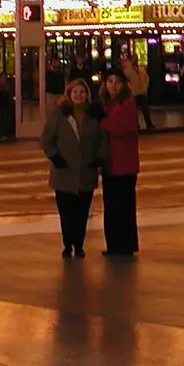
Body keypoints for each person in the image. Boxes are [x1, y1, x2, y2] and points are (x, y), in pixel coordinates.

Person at [40, 78, 108, 258]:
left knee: (82, 213)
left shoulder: (94, 115)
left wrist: (99, 158)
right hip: (63, 173)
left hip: (86, 172)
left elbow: (103, 139)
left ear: (87, 95)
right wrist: (55, 157)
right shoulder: (60, 114)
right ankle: (68, 243)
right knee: (66, 213)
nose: (79, 96)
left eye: (82, 92)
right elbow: (46, 139)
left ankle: (79, 244)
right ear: (68, 95)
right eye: (75, 92)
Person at [99, 72, 140, 256]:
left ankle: (126, 245)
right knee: (111, 206)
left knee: (124, 206)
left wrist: (103, 122)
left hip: (124, 163)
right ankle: (114, 244)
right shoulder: (107, 104)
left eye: (117, 82)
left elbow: (122, 128)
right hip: (109, 163)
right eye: (110, 81)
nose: (113, 85)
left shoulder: (128, 104)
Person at [120, 51, 154, 130]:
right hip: (134, 93)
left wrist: (146, 86)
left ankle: (148, 123)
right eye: (134, 59)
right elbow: (126, 80)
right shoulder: (127, 70)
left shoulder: (141, 69)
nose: (135, 60)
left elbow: (146, 78)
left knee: (145, 110)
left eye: (136, 59)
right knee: (134, 111)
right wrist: (130, 88)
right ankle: (136, 124)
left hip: (142, 92)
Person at [0, 75, 15, 142]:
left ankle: (5, 134)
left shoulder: (8, 87)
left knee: (6, 119)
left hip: (6, 107)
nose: (3, 80)